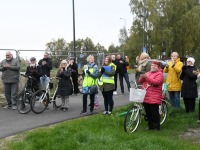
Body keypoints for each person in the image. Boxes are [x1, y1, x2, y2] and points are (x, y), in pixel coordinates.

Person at [139, 61, 164, 130]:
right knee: (148, 113)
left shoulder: (160, 74)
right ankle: (150, 126)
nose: (153, 67)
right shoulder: (148, 73)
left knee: (154, 113)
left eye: (155, 66)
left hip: (154, 96)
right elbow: (140, 82)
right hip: (146, 95)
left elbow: (156, 82)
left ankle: (156, 127)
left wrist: (146, 77)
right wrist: (142, 77)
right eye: (152, 65)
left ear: (158, 67)